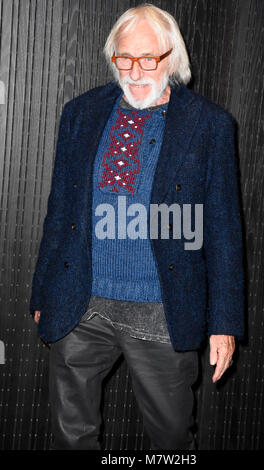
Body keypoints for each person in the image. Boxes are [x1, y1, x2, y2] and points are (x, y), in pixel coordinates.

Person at [29, 3, 245, 450]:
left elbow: (223, 230)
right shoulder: (80, 112)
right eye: (124, 58)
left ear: (173, 58)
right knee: (71, 436)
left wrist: (223, 323)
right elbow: (60, 210)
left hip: (162, 311)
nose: (136, 70)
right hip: (81, 305)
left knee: (170, 441)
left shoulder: (209, 125)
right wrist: (43, 292)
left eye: (149, 58)